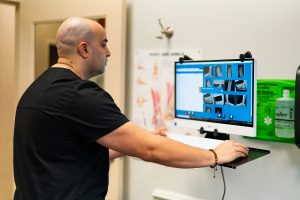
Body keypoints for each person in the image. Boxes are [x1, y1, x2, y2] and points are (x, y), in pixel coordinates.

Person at [13, 17, 248, 200]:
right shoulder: (78, 95)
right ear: (84, 49)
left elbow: (68, 155)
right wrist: (215, 155)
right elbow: (150, 150)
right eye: (103, 44)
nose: (108, 52)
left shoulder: (39, 88)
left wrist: (127, 145)